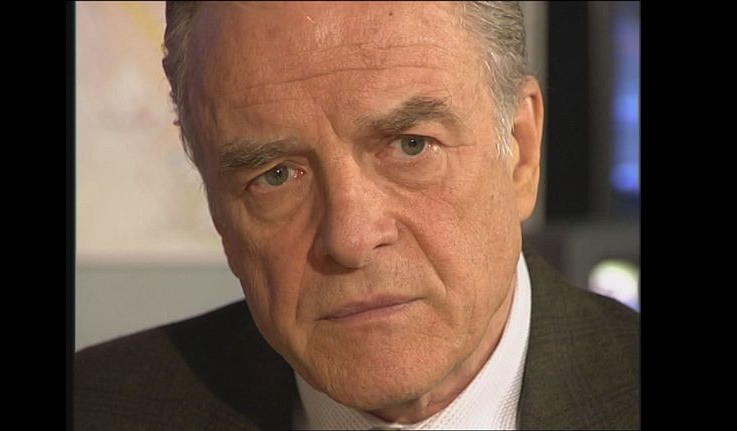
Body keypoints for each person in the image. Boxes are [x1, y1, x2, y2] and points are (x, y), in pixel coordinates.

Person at [74, 2, 639, 430]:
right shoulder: (96, 408)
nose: (349, 237)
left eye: (411, 146)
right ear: (219, 212)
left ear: (521, 151)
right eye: (275, 175)